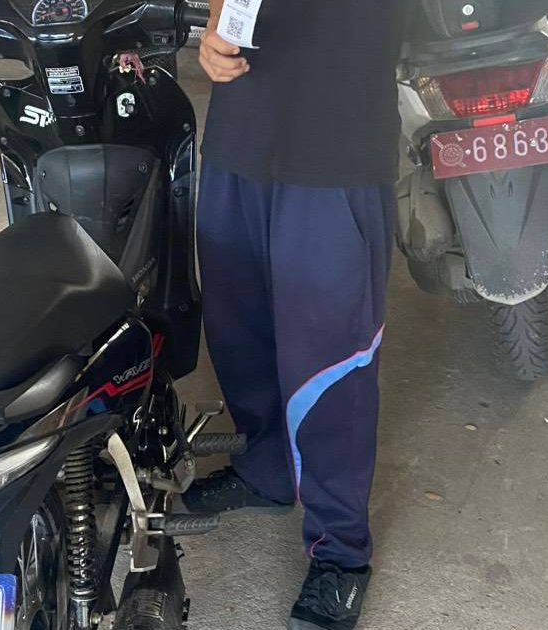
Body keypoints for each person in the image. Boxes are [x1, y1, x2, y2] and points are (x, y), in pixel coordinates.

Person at [180, 2, 410, 629]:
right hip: (241, 135)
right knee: (239, 333)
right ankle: (268, 469)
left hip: (338, 149)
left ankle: (341, 551)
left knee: (329, 361)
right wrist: (215, 28)